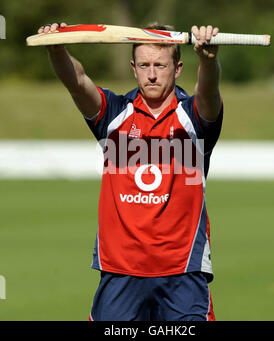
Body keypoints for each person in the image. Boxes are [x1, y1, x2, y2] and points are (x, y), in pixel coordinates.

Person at [38, 22, 223, 321]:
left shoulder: (194, 120)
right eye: (144, 65)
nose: (152, 74)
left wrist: (208, 60)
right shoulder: (112, 114)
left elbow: (210, 93)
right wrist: (56, 47)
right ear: (133, 68)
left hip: (182, 272)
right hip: (120, 272)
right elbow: (77, 82)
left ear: (177, 69)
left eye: (160, 65)